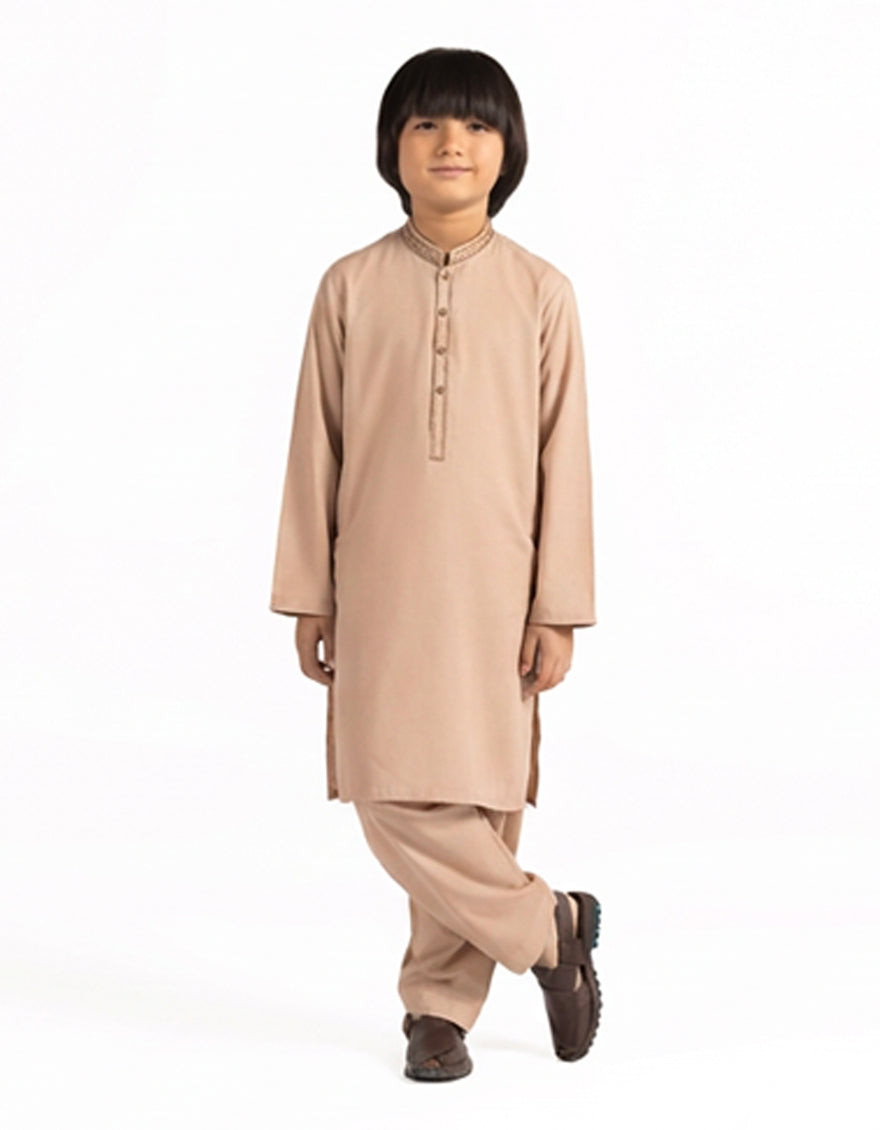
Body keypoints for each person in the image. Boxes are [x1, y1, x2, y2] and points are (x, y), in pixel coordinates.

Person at [269, 46, 601, 1082]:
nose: (451, 143)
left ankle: (438, 1011)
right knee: (387, 787)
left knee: (477, 789)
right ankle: (548, 927)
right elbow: (315, 447)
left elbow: (565, 456)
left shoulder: (543, 293)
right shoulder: (350, 286)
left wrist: (557, 605)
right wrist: (310, 592)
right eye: (426, 124)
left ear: (507, 150)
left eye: (474, 125)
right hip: (377, 582)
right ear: (393, 147)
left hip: (499, 585)